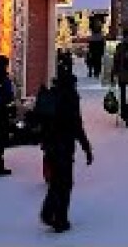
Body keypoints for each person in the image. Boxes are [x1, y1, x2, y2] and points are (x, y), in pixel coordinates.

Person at [40, 65, 93, 233]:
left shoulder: (52, 94)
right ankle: (60, 219)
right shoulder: (71, 97)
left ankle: (49, 212)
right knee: (65, 183)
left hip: (50, 144)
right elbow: (77, 125)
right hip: (64, 145)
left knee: (56, 181)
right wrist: (86, 147)